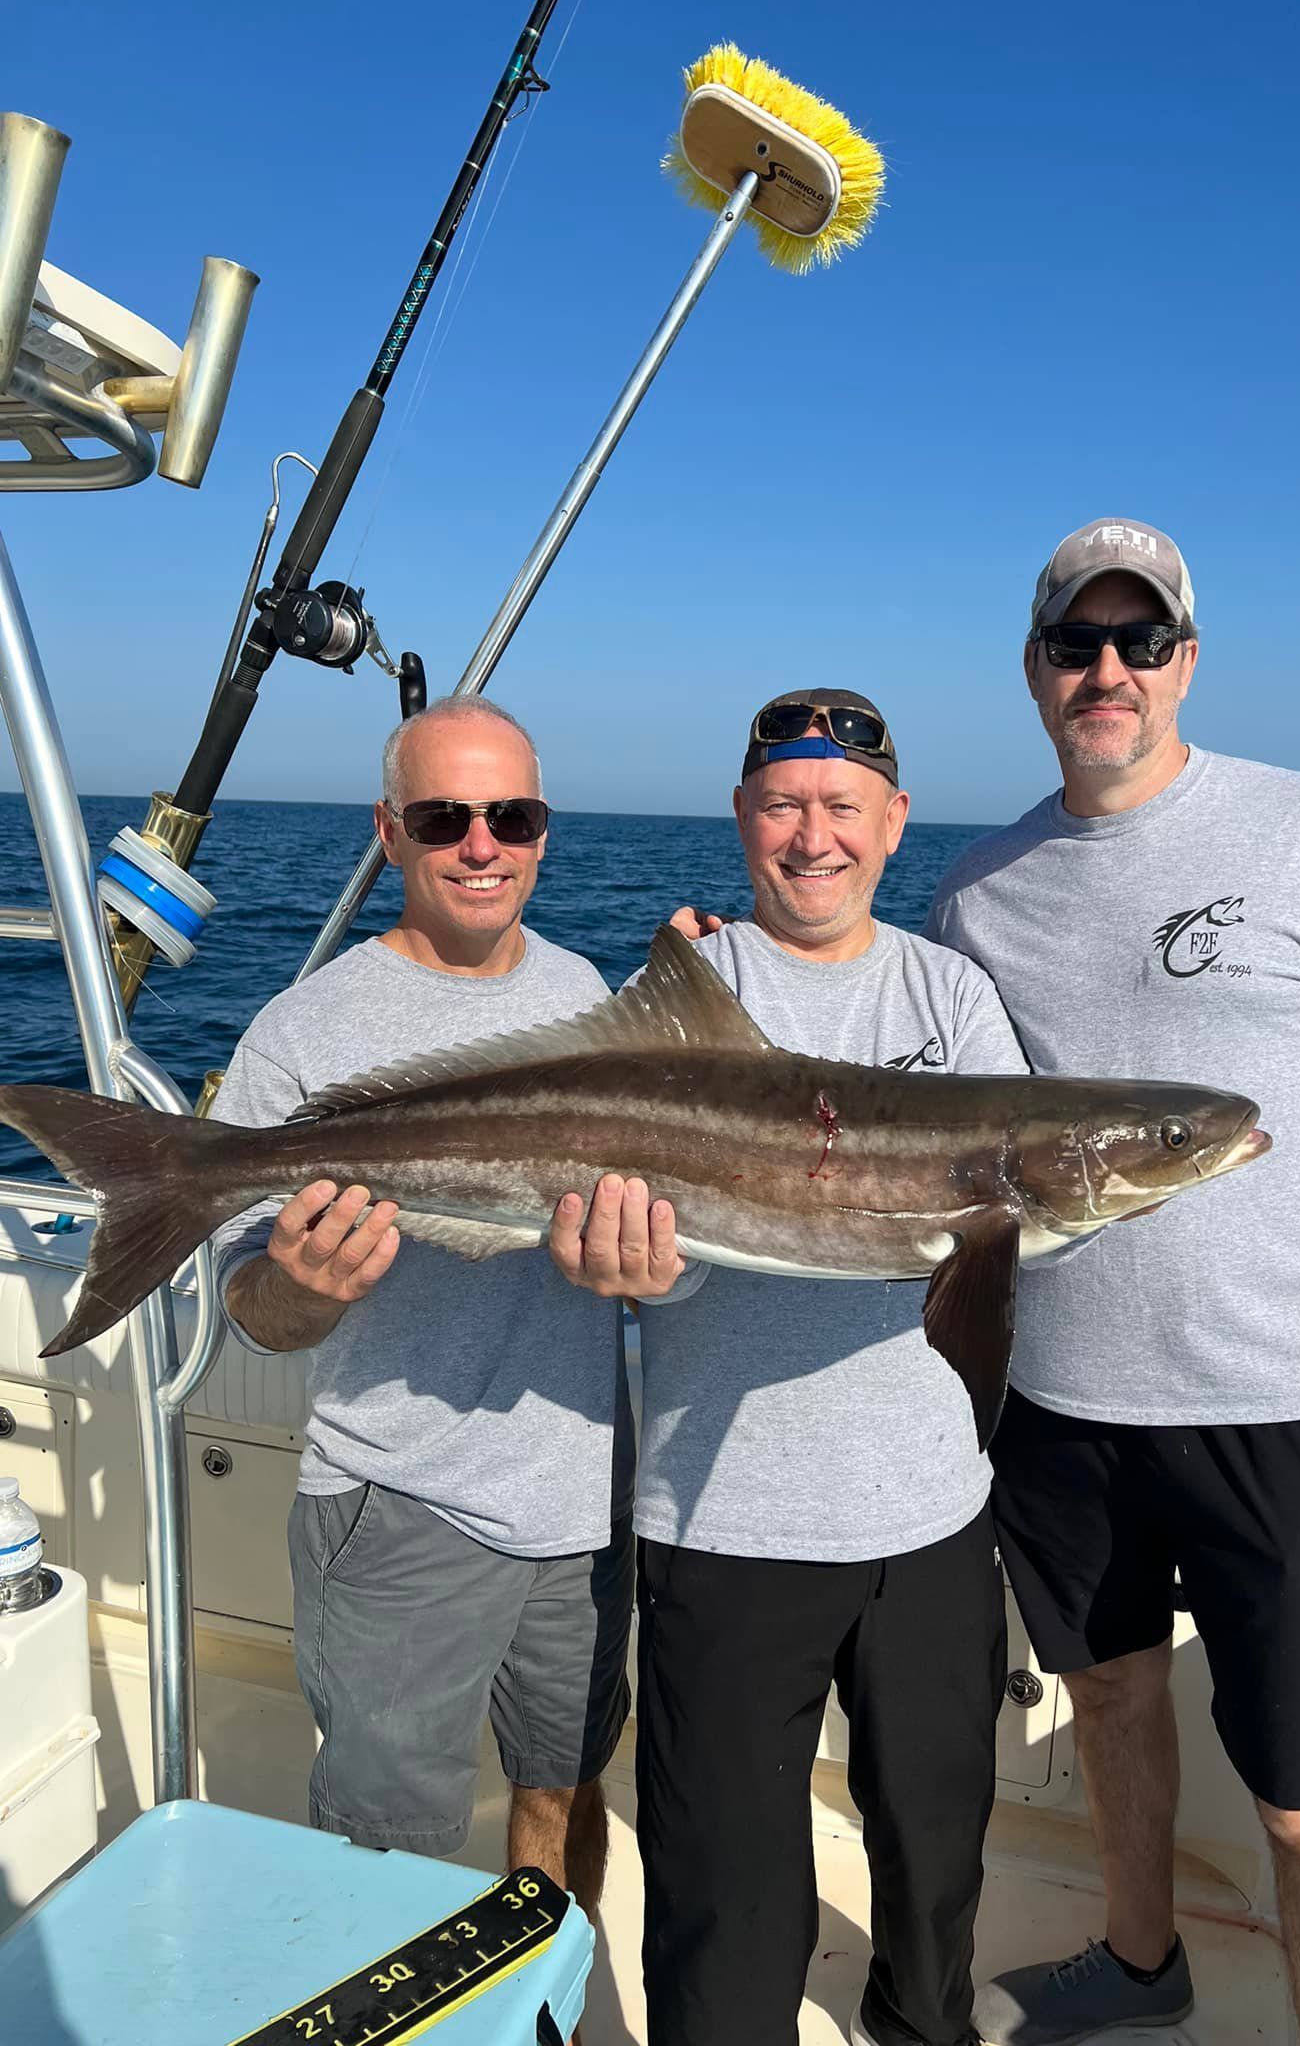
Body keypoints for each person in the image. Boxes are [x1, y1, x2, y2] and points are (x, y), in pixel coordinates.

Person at [925, 518, 1300, 2046]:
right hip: (1057, 1409)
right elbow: (926, 1120)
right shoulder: (979, 892)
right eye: (1076, 643)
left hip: (1285, 1413)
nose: (1107, 669)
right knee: (1111, 1706)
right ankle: (1139, 1968)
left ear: (1188, 661)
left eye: (1140, 641)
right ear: (1036, 671)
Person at [550, 689, 1022, 2046]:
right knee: (726, 1887)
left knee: (937, 1853)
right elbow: (638, 1215)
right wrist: (631, 1266)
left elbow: (991, 1244)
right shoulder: (692, 991)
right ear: (743, 819)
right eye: (783, 804)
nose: (813, 835)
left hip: (932, 1517)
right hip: (726, 1517)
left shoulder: (953, 994)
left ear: (895, 823)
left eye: (842, 806)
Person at [211, 696, 633, 1925]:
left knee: (561, 1785)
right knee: (382, 1850)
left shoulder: (587, 991)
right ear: (389, 833)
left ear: (545, 831)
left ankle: (538, 2010)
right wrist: (301, 1283)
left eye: (514, 815)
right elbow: (253, 1308)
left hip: (579, 1495)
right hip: (399, 1507)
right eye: (446, 816)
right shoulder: (305, 1029)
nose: (483, 844)